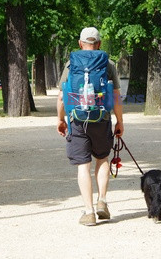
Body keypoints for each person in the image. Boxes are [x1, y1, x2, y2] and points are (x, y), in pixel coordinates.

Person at [56, 27, 124, 226]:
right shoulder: (108, 63)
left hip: (77, 120)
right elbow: (117, 96)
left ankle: (89, 212)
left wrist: (61, 119)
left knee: (83, 165)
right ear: (99, 44)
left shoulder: (71, 64)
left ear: (80, 43)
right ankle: (102, 201)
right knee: (102, 159)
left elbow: (62, 96)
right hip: (101, 119)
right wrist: (119, 121)